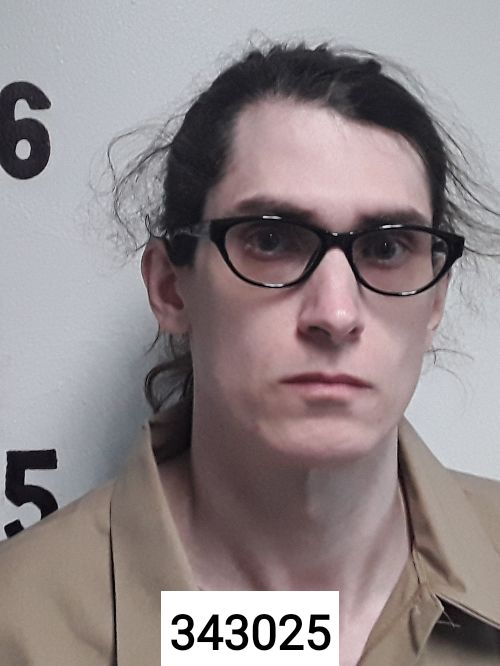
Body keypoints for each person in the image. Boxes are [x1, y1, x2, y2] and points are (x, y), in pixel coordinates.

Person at [1, 41, 500, 666]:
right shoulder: (19, 625)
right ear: (170, 288)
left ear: (435, 299)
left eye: (387, 248)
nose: (335, 315)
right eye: (271, 240)